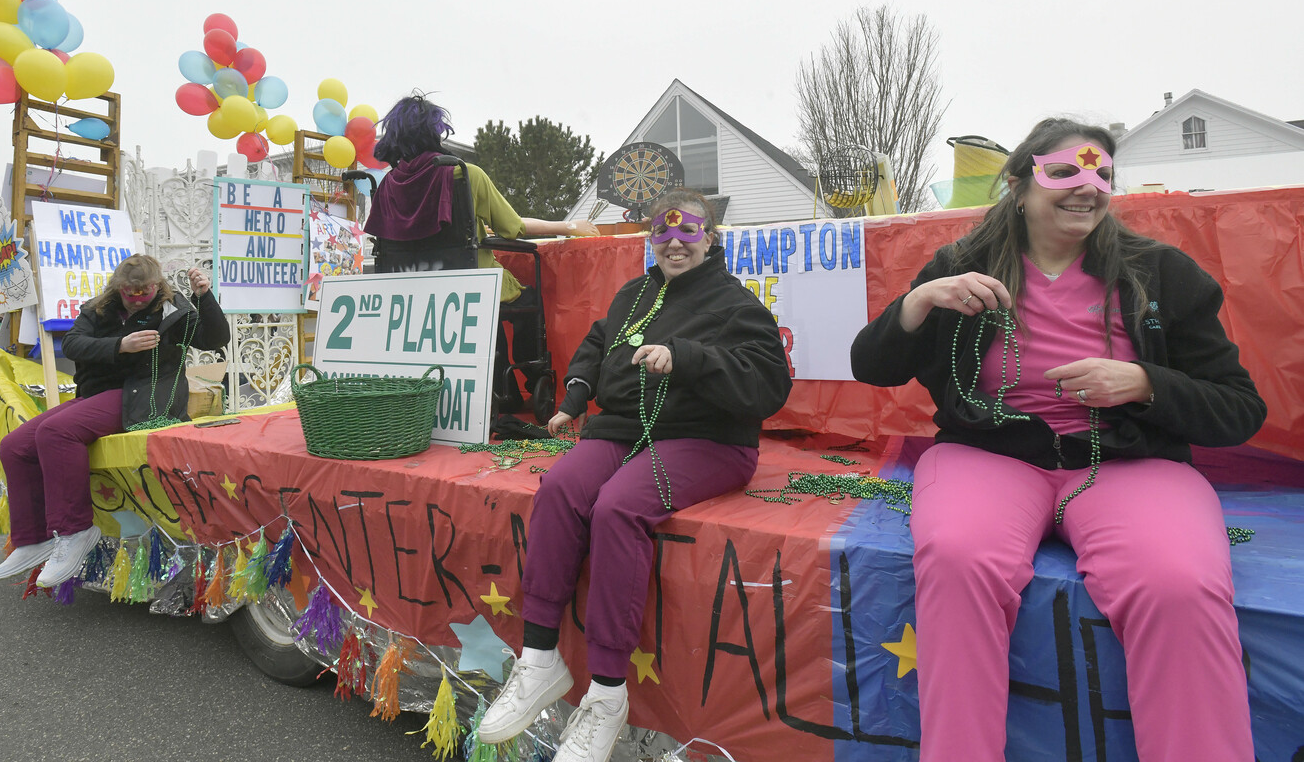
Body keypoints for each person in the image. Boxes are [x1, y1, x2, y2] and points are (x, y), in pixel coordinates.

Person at [849, 119, 1265, 761]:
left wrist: (1143, 382)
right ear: (1018, 186)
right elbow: (871, 366)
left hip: (1128, 465)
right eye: (1065, 172)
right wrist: (921, 300)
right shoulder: (963, 269)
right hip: (991, 456)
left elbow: (1239, 409)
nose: (1086, 188)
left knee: (1179, 582)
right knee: (959, 558)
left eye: (1100, 174)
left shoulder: (1160, 274)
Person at [476, 188, 792, 762]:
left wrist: (688, 357)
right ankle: (539, 659)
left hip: (708, 440)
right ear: (651, 238)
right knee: (561, 488)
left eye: (687, 232)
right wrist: (575, 397)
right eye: (663, 233)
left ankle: (607, 694)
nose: (674, 242)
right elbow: (598, 343)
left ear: (710, 238)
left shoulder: (734, 303)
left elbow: (770, 383)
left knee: (618, 506)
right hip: (625, 430)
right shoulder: (634, 294)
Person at [0, 257, 229, 588]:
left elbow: (214, 339)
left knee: (56, 432)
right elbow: (72, 344)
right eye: (130, 291)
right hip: (96, 396)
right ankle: (32, 539)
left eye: (145, 291)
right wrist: (120, 345)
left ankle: (75, 531)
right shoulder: (99, 309)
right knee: (14, 446)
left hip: (146, 398)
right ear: (118, 287)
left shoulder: (173, 310)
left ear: (158, 286)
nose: (137, 297)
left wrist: (204, 296)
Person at [363, 91, 598, 423]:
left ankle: (507, 391)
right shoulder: (462, 173)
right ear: (435, 131)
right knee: (521, 300)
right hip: (470, 285)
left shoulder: (388, 185)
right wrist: (570, 226)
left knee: (488, 304)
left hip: (417, 292)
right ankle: (531, 379)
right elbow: (513, 228)